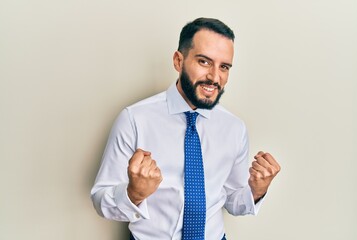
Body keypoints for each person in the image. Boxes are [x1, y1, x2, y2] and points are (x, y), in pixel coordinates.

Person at [91, 17, 281, 240]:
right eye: (204, 62)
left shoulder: (234, 128)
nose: (214, 77)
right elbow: (100, 199)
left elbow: (232, 201)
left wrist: (257, 190)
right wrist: (133, 193)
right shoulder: (135, 119)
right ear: (178, 61)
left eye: (224, 67)